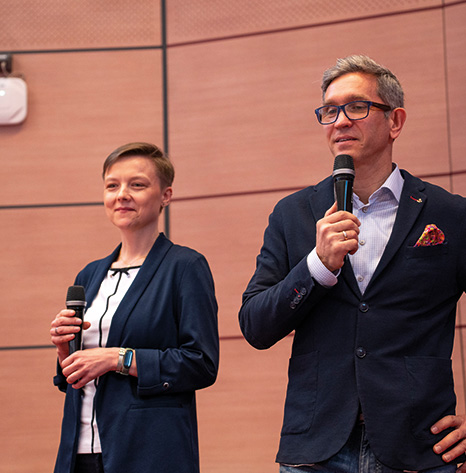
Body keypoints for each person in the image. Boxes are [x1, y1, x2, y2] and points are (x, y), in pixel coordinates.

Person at [239, 55, 466, 473]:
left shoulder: (450, 214)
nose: (340, 121)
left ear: (395, 121)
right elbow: (255, 325)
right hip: (316, 448)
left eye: (357, 107)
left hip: (419, 445)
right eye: (329, 111)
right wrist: (317, 266)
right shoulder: (292, 214)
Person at [50, 142, 219, 473]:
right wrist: (64, 351)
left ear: (166, 195)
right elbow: (75, 376)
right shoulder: (89, 274)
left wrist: (118, 358)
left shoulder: (185, 267)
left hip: (149, 451)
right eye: (112, 186)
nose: (122, 195)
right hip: (79, 451)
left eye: (137, 185)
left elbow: (201, 364)